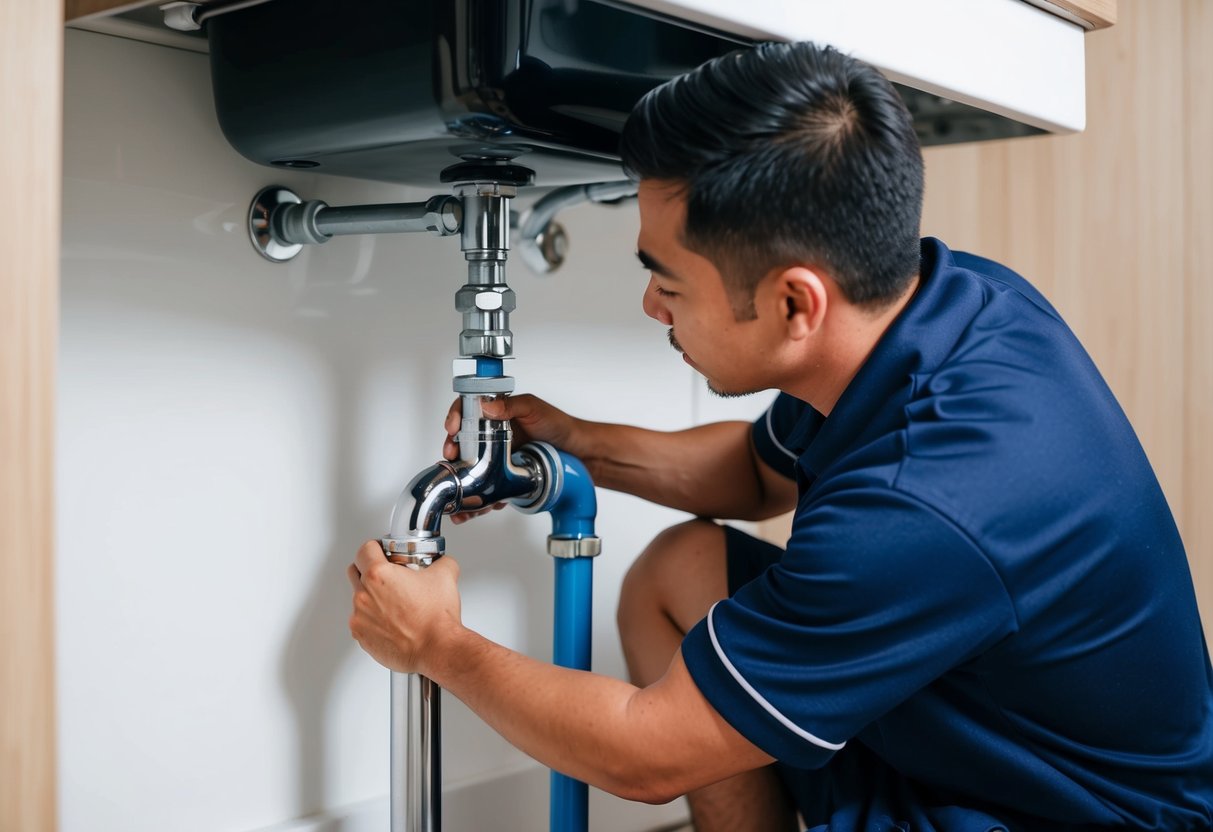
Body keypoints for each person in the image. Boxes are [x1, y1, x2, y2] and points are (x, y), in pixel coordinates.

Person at [348, 41, 1213, 831]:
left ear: (796, 303)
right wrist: (575, 439)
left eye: (670, 283)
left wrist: (437, 645)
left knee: (684, 721)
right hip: (970, 736)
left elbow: (644, 754)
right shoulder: (953, 305)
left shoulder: (924, 508)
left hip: (1058, 815)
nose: (651, 306)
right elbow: (761, 475)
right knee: (677, 569)